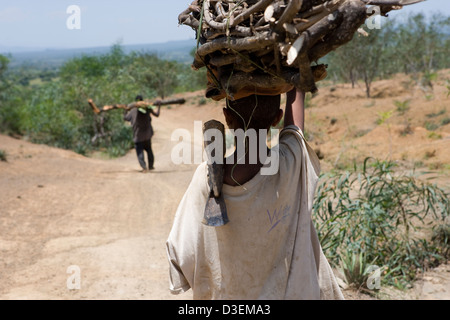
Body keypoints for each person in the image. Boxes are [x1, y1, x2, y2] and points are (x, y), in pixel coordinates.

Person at [166, 88, 344, 299]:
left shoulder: (205, 178)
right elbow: (295, 127)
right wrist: (295, 73)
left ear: (227, 117)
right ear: (277, 118)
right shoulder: (289, 164)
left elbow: (182, 255)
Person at [124, 95, 160, 172]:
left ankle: (144, 167)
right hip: (147, 135)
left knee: (140, 152)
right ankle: (151, 166)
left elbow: (125, 118)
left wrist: (125, 109)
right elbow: (157, 115)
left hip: (138, 136)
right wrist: (159, 106)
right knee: (149, 150)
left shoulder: (133, 111)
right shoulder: (148, 109)